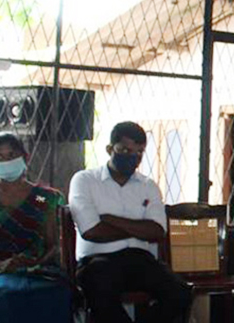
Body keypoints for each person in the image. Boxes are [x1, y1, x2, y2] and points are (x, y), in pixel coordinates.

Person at [68, 121, 191, 323]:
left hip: (140, 260)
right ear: (110, 149)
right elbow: (91, 231)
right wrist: (139, 227)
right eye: (125, 150)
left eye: (139, 152)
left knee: (180, 292)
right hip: (98, 261)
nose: (133, 157)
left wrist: (110, 219)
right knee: (100, 289)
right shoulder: (85, 180)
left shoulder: (148, 186)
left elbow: (157, 232)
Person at [0, 133, 71, 323]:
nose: (7, 161)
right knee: (8, 292)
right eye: (0, 157)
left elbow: (54, 245)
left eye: (12, 155)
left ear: (25, 157)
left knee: (58, 292)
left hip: (37, 268)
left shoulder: (44, 197)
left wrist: (35, 263)